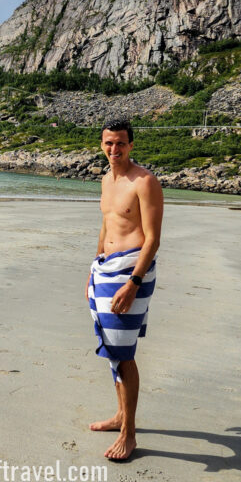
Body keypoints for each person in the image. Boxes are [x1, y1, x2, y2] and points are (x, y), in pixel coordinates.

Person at [85, 118, 163, 460]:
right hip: (105, 271)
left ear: (131, 145)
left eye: (120, 143)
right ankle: (120, 416)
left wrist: (134, 282)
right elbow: (106, 226)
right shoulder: (105, 180)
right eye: (108, 143)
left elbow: (152, 239)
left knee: (124, 354)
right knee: (112, 350)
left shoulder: (145, 182)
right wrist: (94, 269)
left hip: (131, 273)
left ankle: (129, 434)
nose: (114, 150)